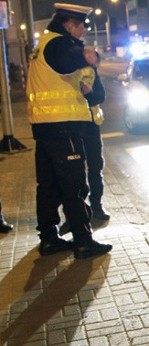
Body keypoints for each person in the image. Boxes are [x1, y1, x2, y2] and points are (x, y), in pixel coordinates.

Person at [26, 3, 111, 259]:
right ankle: (83, 241)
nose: (84, 31)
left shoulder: (43, 43)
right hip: (63, 127)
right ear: (69, 24)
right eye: (82, 26)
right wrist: (85, 56)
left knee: (48, 185)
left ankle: (49, 238)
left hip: (45, 128)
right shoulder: (58, 44)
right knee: (74, 186)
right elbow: (66, 61)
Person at [81, 49, 110, 221]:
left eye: (93, 55)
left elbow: (100, 96)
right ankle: (77, 211)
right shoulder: (66, 70)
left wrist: (89, 93)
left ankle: (97, 206)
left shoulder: (90, 72)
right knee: (75, 173)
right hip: (73, 127)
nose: (89, 57)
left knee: (95, 167)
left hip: (91, 126)